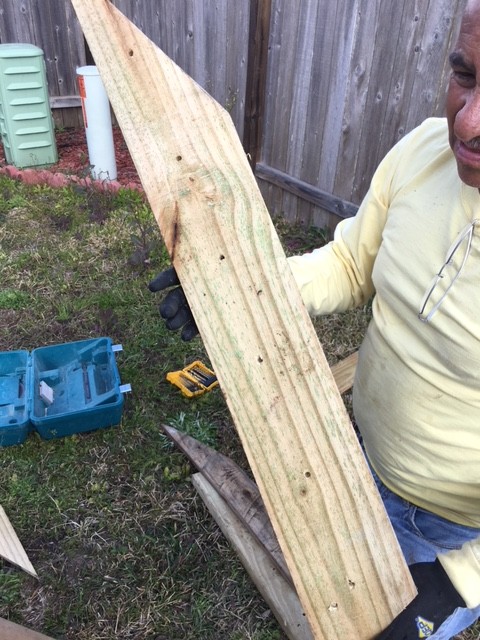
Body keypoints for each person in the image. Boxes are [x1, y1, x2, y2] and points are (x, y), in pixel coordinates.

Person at [149, 2, 480, 638]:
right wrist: (245, 288)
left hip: (452, 532)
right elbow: (355, 264)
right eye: (464, 75)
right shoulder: (420, 153)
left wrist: (458, 576)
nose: (465, 123)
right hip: (359, 457)